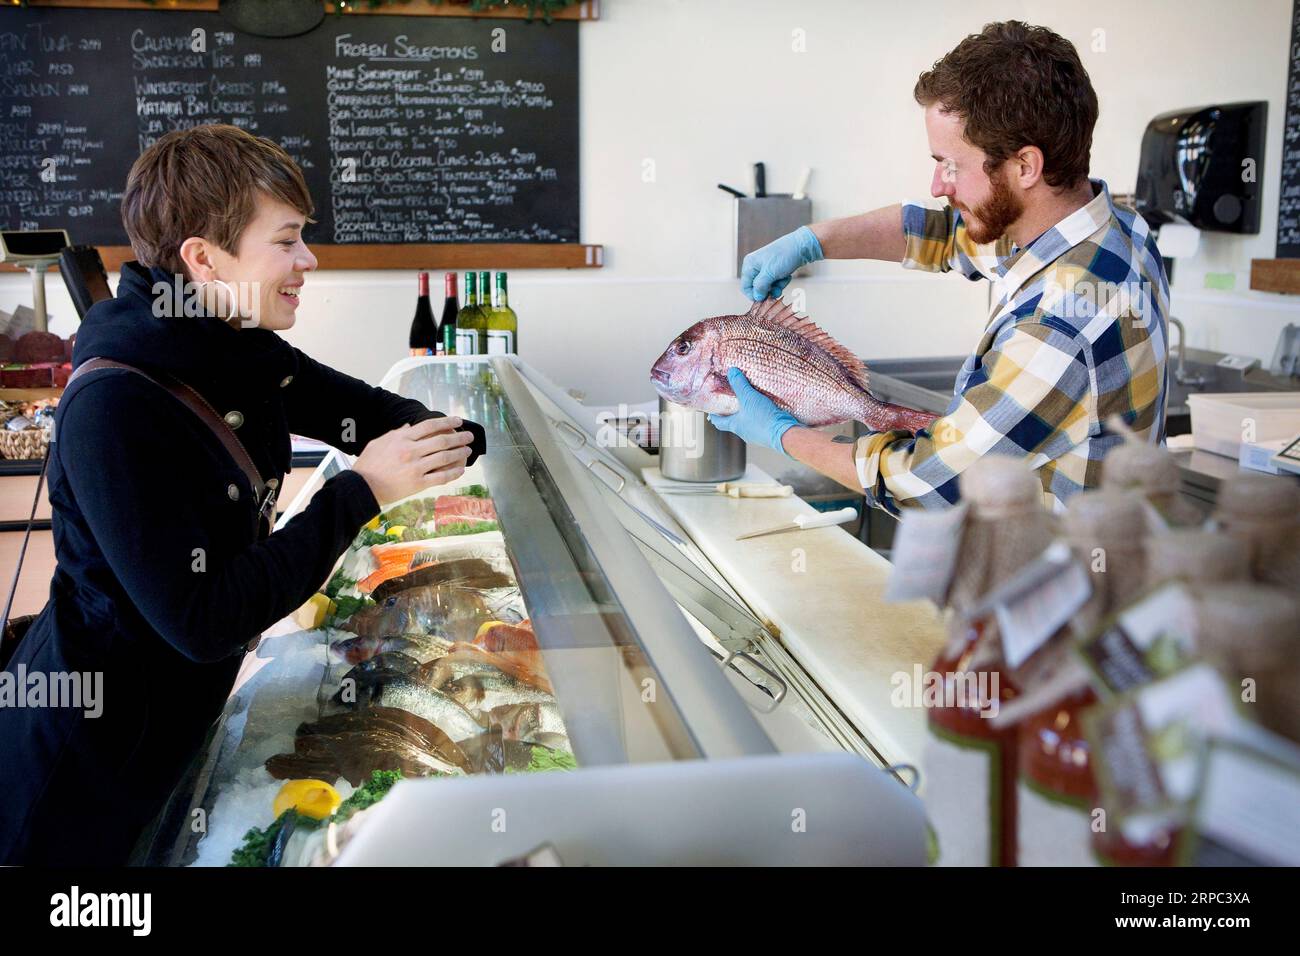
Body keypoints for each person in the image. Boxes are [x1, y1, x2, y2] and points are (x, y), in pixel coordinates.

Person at [0, 125, 481, 865]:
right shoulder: (116, 407)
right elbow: (203, 618)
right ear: (203, 257)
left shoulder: (235, 344)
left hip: (175, 728)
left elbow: (374, 415)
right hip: (85, 772)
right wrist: (362, 490)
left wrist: (466, 435)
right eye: (286, 240)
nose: (307, 260)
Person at [717, 21, 1168, 513]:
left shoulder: (1061, 325)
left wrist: (783, 436)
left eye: (950, 164)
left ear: (1025, 166)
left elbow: (927, 481)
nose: (938, 184)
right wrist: (814, 240)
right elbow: (943, 235)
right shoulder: (1113, 226)